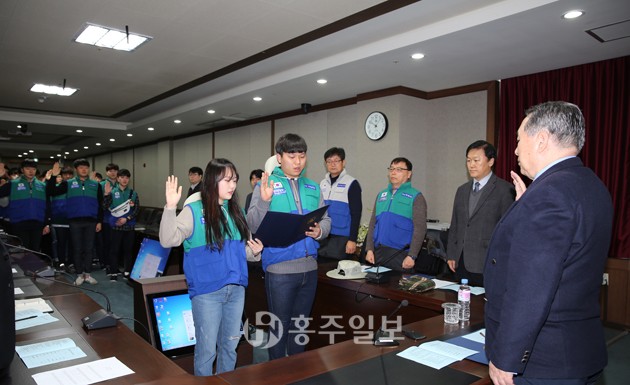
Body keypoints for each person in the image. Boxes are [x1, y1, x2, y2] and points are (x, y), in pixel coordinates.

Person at [484, 101, 613, 385]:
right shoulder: (590, 185)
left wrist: (507, 357)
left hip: (543, 360)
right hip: (577, 349)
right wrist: (525, 209)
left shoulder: (548, 195)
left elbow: (530, 287)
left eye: (519, 140)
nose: (516, 150)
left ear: (541, 140)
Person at [159, 159, 263, 376]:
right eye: (226, 180)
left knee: (230, 347)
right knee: (207, 351)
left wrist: (255, 252)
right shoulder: (193, 210)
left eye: (234, 180)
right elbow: (168, 240)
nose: (232, 185)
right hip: (207, 292)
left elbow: (242, 252)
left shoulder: (237, 212)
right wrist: (170, 207)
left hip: (236, 290)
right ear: (212, 181)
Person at [247, 133, 331, 360]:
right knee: (279, 328)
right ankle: (277, 375)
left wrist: (320, 231)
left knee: (300, 328)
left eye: (301, 156)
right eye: (291, 156)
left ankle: (298, 373)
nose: (297, 162)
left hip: (309, 268)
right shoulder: (267, 185)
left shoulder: (313, 187)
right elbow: (253, 224)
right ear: (279, 157)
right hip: (280, 269)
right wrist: (264, 199)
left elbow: (326, 219)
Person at [446, 140, 514, 286]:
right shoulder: (462, 190)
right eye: (468, 160)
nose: (471, 165)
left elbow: (507, 231)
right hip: (461, 261)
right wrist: (451, 254)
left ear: (491, 161)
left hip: (488, 262)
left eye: (476, 160)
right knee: (461, 303)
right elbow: (455, 225)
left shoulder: (505, 190)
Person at [364, 157, 427, 272]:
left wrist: (412, 255)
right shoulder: (381, 195)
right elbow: (373, 223)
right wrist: (369, 249)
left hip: (401, 254)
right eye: (391, 169)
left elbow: (420, 228)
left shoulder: (416, 197)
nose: (393, 172)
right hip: (379, 252)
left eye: (399, 169)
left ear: (409, 174)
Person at [48, 160, 103, 285]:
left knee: (89, 249)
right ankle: (79, 274)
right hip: (74, 221)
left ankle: (87, 275)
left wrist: (99, 221)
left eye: (86, 168)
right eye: (81, 168)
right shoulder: (68, 183)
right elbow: (51, 191)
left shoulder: (95, 185)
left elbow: (100, 204)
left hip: (91, 221)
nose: (84, 170)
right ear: (76, 170)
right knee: (77, 249)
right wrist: (53, 177)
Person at [318, 147, 362, 260]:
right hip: (323, 235)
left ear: (343, 162)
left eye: (336, 161)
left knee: (336, 271)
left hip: (342, 237)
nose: (333, 164)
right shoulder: (322, 184)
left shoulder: (352, 183)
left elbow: (356, 214)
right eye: (329, 161)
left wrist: (352, 240)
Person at [0, 159, 50, 250]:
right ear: (22, 170)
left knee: (35, 250)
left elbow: (47, 205)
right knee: (22, 251)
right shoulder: (13, 184)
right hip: (19, 222)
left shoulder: (42, 185)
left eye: (33, 169)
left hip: (37, 223)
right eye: (28, 169)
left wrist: (46, 224)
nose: (31, 171)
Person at [103, 169, 139, 281]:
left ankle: (127, 271)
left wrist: (127, 218)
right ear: (118, 179)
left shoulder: (133, 193)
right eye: (122, 177)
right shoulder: (112, 192)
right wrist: (106, 195)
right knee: (114, 250)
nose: (124, 180)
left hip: (129, 226)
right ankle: (113, 272)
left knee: (128, 250)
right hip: (115, 226)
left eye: (127, 178)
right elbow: (104, 207)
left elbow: (137, 209)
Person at [49, 167, 75, 269]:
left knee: (73, 243)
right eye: (65, 174)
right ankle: (61, 262)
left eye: (70, 174)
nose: (68, 176)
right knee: (61, 243)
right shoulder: (55, 188)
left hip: (73, 220)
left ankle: (72, 263)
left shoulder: (75, 187)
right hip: (59, 219)